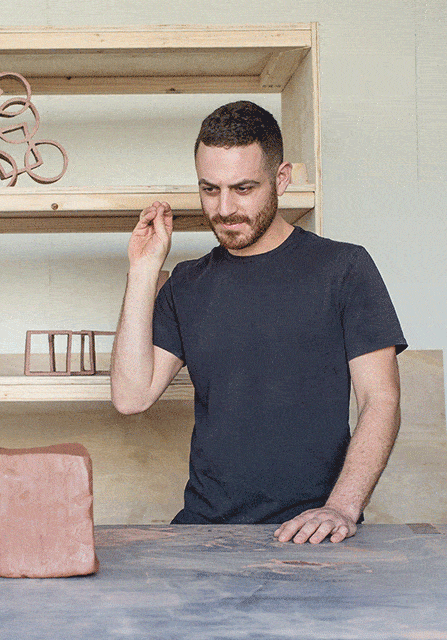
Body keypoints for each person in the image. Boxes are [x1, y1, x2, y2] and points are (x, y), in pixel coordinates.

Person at [110, 101, 407, 544]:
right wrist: (144, 269)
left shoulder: (344, 268)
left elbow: (381, 400)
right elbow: (131, 396)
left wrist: (342, 507)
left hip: (310, 532)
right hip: (204, 533)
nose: (225, 208)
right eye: (210, 189)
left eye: (243, 188)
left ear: (281, 179)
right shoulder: (188, 284)